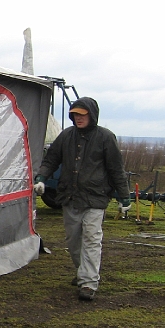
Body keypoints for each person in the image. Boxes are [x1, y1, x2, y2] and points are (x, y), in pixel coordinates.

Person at [34, 97, 130, 301]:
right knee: (73, 241)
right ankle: (82, 271)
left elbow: (116, 169)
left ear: (92, 115)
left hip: (96, 198)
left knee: (92, 240)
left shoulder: (105, 138)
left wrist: (124, 197)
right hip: (70, 197)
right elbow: (51, 159)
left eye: (82, 115)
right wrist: (41, 178)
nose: (78, 118)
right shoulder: (66, 136)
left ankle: (88, 283)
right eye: (75, 114)